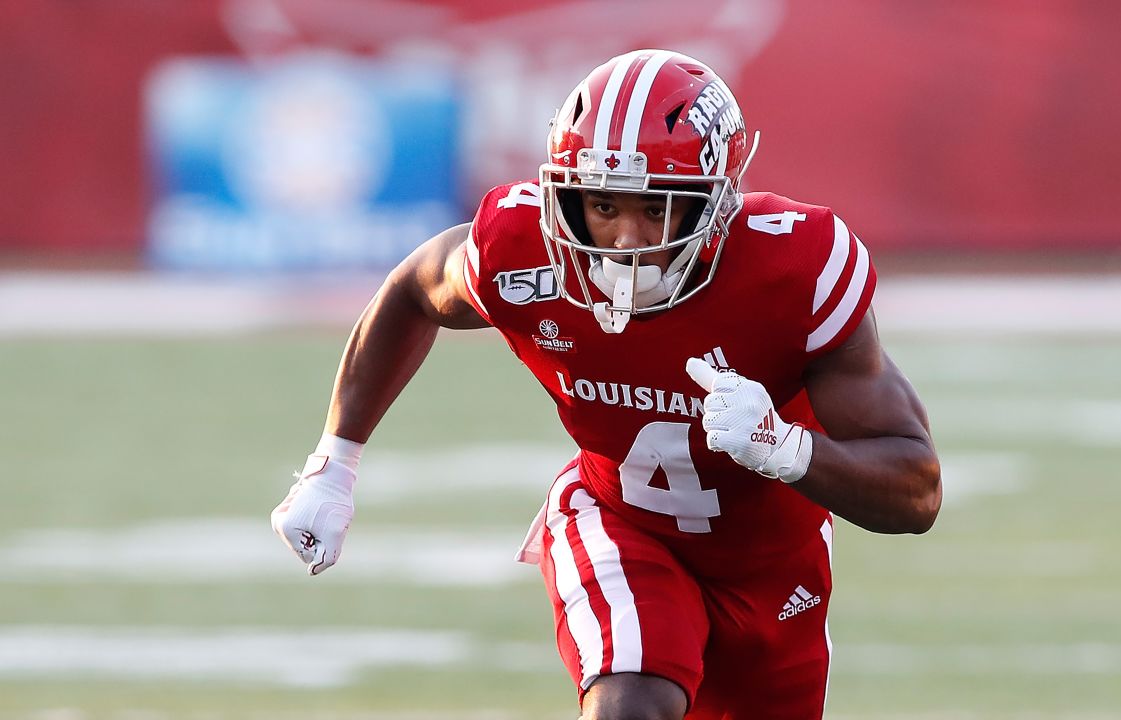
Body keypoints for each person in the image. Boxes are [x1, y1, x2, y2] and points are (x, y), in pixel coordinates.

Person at [271, 48, 941, 720]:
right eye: (601, 204)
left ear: (717, 199)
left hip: (775, 561)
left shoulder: (797, 268)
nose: (625, 240)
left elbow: (916, 491)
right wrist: (334, 462)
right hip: (618, 517)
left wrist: (785, 446)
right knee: (630, 702)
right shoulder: (522, 248)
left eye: (656, 208)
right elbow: (416, 290)